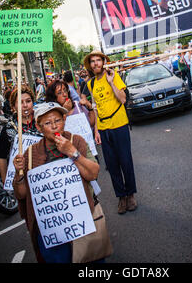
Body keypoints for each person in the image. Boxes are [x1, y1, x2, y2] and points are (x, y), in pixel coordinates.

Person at [12, 102, 100, 263]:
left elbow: (93, 173)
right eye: (47, 123)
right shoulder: (31, 154)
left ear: (64, 120)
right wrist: (18, 174)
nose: (54, 126)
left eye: (58, 120)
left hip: (81, 221)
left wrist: (72, 152)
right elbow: (22, 194)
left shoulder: (77, 141)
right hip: (52, 230)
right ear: (39, 127)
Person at [84, 50, 137, 215]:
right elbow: (96, 107)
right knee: (112, 165)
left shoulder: (113, 76)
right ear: (90, 66)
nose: (95, 64)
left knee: (125, 161)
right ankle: (121, 197)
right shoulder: (90, 84)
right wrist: (96, 130)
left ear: (103, 62)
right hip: (104, 128)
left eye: (98, 60)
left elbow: (122, 99)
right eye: (92, 61)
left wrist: (111, 82)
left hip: (119, 125)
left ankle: (130, 194)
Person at [0, 85, 41, 184]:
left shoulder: (42, 122)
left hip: (41, 177)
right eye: (20, 102)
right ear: (13, 106)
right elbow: (2, 157)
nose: (25, 105)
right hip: (21, 181)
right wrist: (5, 180)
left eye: (28, 101)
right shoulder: (9, 128)